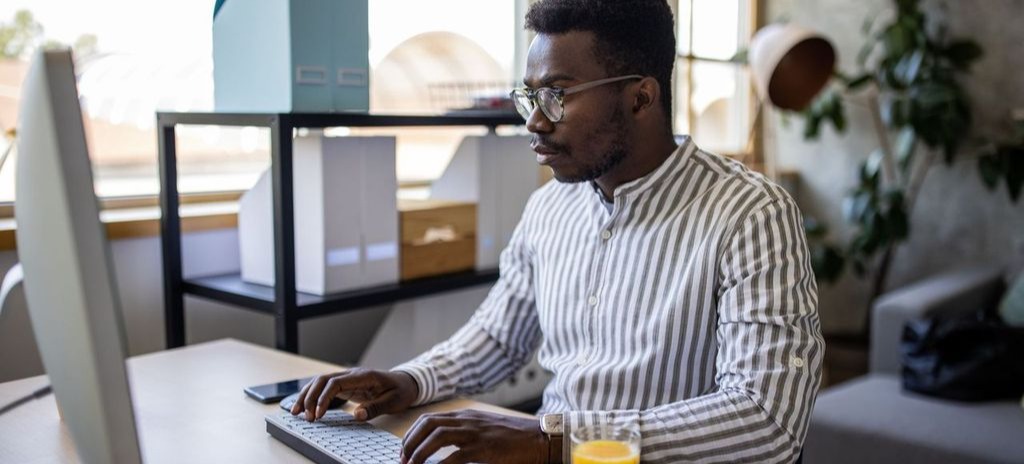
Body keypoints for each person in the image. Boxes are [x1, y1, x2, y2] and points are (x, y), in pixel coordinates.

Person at [291, 0, 824, 462]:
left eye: (557, 95)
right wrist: (406, 381)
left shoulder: (752, 214)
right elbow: (498, 336)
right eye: (530, 96)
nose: (534, 122)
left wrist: (554, 442)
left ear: (640, 97)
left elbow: (766, 420)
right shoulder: (549, 208)